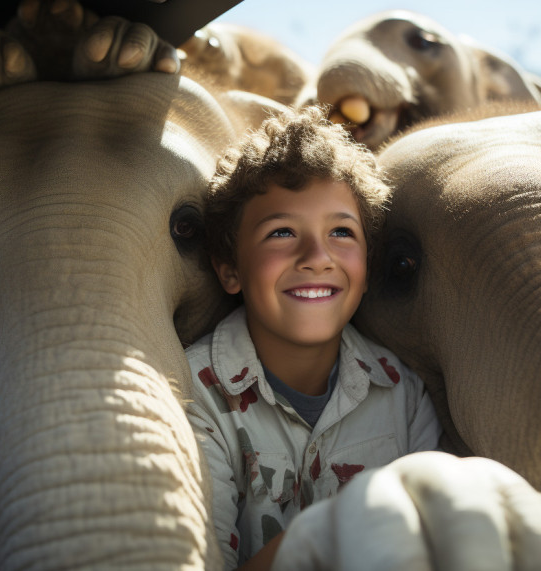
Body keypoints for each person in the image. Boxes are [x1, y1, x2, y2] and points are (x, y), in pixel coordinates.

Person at [185, 106, 442, 570]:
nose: (317, 257)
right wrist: (336, 529)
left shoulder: (403, 392)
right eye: (281, 232)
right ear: (229, 270)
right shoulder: (192, 396)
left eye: (341, 232)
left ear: (365, 271)